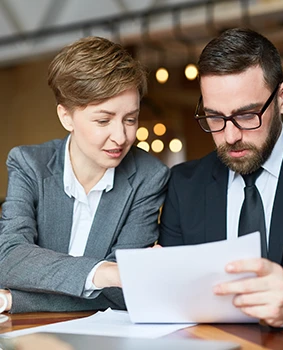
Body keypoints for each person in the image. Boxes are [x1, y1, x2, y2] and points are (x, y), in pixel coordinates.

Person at [158, 28, 283, 331]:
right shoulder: (183, 184)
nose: (231, 136)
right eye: (215, 117)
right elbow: (174, 297)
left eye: (247, 115)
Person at [0, 36, 169, 313]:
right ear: (66, 117)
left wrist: (16, 299)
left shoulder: (148, 177)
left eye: (130, 119)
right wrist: (104, 272)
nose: (121, 136)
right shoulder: (29, 163)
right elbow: (9, 259)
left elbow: (121, 293)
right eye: (103, 120)